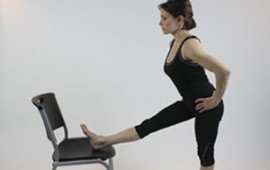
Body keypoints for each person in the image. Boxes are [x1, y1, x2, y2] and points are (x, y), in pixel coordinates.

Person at [81, 0, 230, 169]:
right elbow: (188, 75)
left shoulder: (191, 45)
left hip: (207, 108)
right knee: (148, 126)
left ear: (179, 20)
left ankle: (102, 140)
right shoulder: (174, 43)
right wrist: (188, 94)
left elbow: (223, 71)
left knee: (205, 154)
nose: (160, 23)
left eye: (164, 18)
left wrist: (216, 99)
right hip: (189, 103)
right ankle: (101, 140)